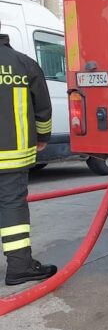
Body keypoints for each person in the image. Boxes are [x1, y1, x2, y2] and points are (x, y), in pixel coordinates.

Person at [0, 21, 58, 286]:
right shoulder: (23, 64)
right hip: (12, 156)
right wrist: (43, 138)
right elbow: (43, 111)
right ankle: (20, 267)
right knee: (12, 209)